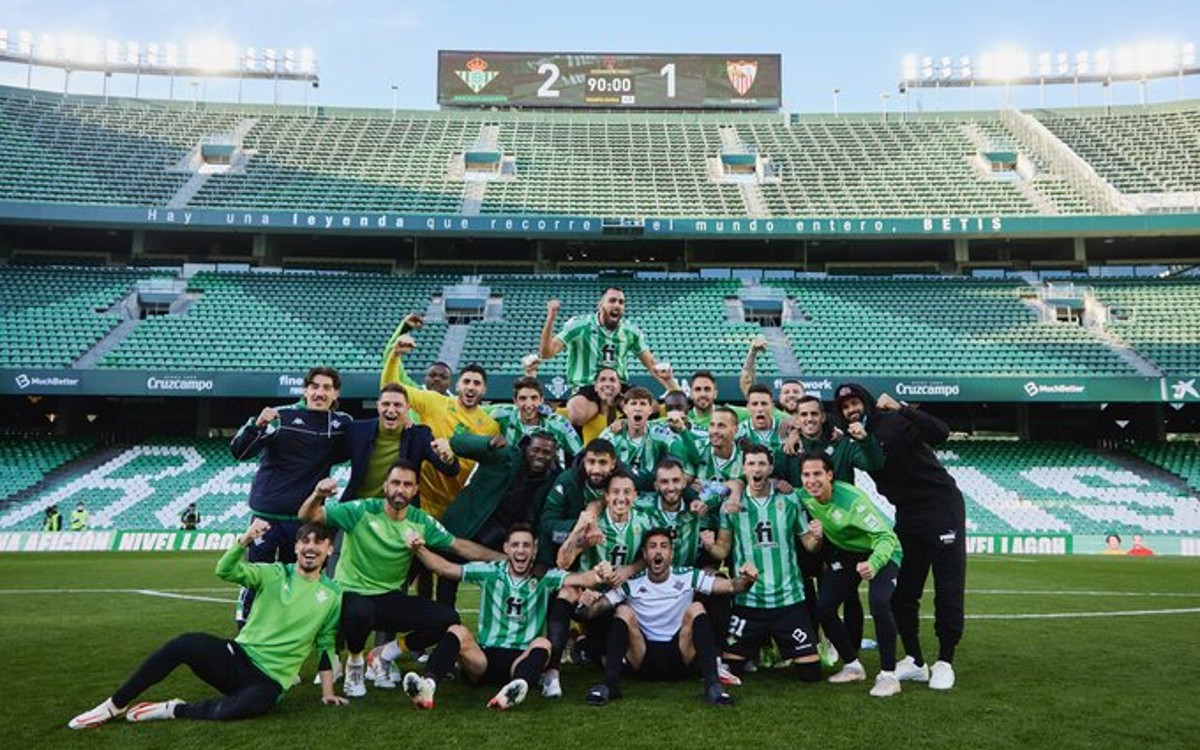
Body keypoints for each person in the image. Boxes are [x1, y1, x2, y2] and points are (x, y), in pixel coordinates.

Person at [68, 519, 345, 729]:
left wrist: (328, 692)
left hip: (271, 681)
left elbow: (325, 644)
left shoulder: (332, 594)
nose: (311, 547)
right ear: (296, 547)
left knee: (244, 708)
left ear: (329, 549)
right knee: (185, 644)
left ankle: (173, 709)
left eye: (319, 542)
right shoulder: (272, 573)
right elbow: (224, 570)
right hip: (238, 657)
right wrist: (245, 539)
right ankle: (114, 705)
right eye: (305, 541)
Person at [297, 463, 504, 700]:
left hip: (388, 598)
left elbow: (459, 546)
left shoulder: (419, 521)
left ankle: (384, 654)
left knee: (447, 618)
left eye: (407, 485)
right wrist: (317, 495)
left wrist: (504, 558)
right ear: (385, 486)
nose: (400, 489)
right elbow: (307, 516)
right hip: (351, 594)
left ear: (415, 490)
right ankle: (355, 664)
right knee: (360, 611)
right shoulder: (361, 510)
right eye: (395, 483)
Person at [835, 382, 965, 691]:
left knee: (948, 588)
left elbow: (941, 432)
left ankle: (945, 661)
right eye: (844, 407)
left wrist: (902, 407)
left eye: (855, 402)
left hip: (941, 506)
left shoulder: (894, 420)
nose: (851, 410)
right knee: (902, 593)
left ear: (866, 402)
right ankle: (917, 661)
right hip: (906, 514)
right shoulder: (852, 440)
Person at [405, 523, 613, 710]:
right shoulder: (490, 572)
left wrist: (598, 574)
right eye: (515, 545)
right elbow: (444, 568)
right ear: (506, 549)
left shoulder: (545, 576)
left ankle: (514, 690)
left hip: (520, 659)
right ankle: (428, 685)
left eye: (526, 545)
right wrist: (419, 549)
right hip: (484, 660)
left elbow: (580, 578)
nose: (520, 550)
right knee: (456, 631)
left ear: (534, 550)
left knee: (543, 643)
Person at [229, 366, 352, 627]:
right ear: (305, 390)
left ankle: (282, 634)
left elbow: (367, 442)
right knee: (256, 579)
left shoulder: (341, 424)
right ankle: (245, 628)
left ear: (335, 393)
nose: (320, 393)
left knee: (295, 582)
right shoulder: (281, 417)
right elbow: (240, 453)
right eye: (315, 387)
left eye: (326, 388)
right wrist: (256, 424)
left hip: (303, 522)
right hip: (266, 519)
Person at [582, 527, 758, 706]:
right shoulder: (631, 583)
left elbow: (731, 587)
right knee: (623, 611)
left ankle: (713, 685)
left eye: (664, 546)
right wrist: (586, 600)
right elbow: (592, 611)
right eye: (652, 546)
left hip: (681, 657)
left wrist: (747, 580)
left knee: (696, 607)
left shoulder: (688, 575)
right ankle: (610, 684)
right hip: (643, 658)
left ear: (671, 553)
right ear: (645, 553)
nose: (658, 551)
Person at [703, 444, 824, 682]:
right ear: (743, 468)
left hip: (789, 600)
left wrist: (817, 536)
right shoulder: (732, 506)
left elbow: (809, 544)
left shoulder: (788, 500)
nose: (756, 469)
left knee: (811, 675)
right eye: (751, 463)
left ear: (770, 468)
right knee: (730, 670)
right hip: (749, 601)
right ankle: (757, 649)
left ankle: (777, 647)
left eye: (761, 464)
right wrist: (709, 546)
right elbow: (723, 550)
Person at [796, 453, 903, 697]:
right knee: (824, 607)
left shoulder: (853, 500)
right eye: (806, 475)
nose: (811, 480)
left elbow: (886, 537)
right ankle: (853, 665)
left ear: (830, 476)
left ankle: (889, 675)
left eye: (817, 474)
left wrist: (874, 564)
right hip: (847, 554)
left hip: (882, 552)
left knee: (879, 602)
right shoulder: (804, 496)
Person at [539, 289, 675, 427]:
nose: (617, 305)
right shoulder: (579, 326)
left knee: (652, 409)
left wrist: (673, 390)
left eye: (621, 302)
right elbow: (546, 353)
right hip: (586, 385)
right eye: (612, 300)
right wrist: (551, 318)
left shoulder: (630, 332)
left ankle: (622, 427)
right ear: (600, 305)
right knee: (577, 416)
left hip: (618, 386)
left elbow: (651, 364)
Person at [338, 383, 459, 504]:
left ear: (407, 408)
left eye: (397, 405)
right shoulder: (357, 430)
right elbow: (331, 454)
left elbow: (450, 470)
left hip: (399, 512)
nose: (391, 410)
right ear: (378, 406)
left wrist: (448, 457)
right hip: (359, 508)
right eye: (386, 404)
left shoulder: (419, 436)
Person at [600, 387, 694, 489]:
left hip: (652, 492)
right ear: (625, 409)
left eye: (643, 404)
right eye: (633, 403)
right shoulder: (612, 433)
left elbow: (689, 457)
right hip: (620, 493)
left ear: (650, 410)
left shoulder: (658, 431)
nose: (638, 408)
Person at [488, 376, 583, 464]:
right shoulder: (502, 415)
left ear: (541, 400)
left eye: (534, 398)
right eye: (523, 398)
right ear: (515, 401)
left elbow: (580, 455)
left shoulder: (559, 424)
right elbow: (478, 413)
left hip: (545, 477)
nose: (529, 404)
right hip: (510, 475)